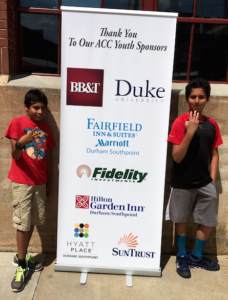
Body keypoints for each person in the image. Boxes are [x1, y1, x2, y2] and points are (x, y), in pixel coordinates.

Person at [166, 78, 223, 279]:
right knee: (180, 219)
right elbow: (177, 157)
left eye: (201, 97)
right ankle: (182, 255)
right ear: (188, 98)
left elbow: (214, 154)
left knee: (207, 220)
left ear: (206, 99)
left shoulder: (212, 125)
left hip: (205, 183)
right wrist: (190, 132)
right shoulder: (180, 122)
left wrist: (212, 180)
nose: (197, 100)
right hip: (182, 183)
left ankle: (196, 257)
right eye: (193, 96)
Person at [5, 89, 56, 292]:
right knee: (22, 222)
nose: (39, 112)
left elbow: (48, 158)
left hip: (40, 183)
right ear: (26, 107)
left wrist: (49, 182)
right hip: (22, 183)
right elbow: (15, 156)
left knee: (33, 220)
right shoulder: (17, 123)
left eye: (43, 108)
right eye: (35, 107)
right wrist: (20, 143)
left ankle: (24, 254)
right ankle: (21, 265)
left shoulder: (45, 128)